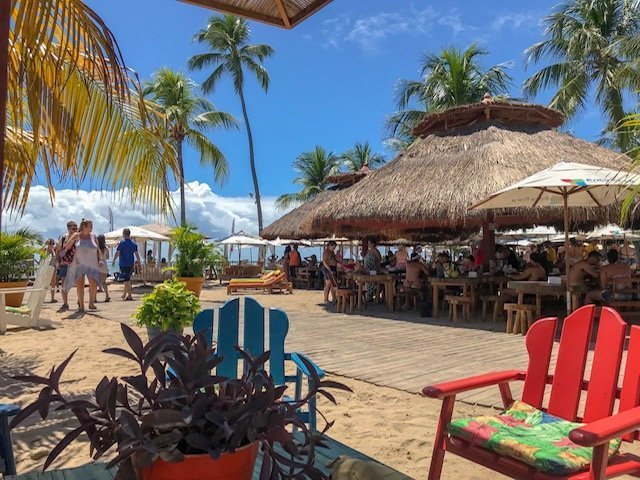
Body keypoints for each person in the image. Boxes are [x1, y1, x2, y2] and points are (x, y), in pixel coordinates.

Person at [62, 219, 101, 312]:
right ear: (84, 227)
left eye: (92, 226)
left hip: (92, 263)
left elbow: (98, 249)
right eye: (90, 226)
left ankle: (91, 303)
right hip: (78, 263)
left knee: (93, 282)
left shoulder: (93, 237)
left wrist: (100, 260)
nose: (92, 228)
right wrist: (73, 240)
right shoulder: (77, 236)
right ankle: (81, 305)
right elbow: (67, 247)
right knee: (80, 284)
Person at [54, 220, 78, 310]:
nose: (75, 229)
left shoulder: (79, 237)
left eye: (76, 227)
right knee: (64, 284)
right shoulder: (63, 238)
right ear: (68, 228)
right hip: (65, 263)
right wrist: (58, 261)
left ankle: (80, 301)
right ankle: (65, 303)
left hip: (76, 263)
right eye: (73, 228)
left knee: (78, 282)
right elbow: (58, 250)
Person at [112, 228, 141, 301]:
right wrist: (139, 263)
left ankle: (129, 295)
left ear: (123, 234)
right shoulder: (133, 244)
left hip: (123, 264)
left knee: (127, 279)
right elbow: (137, 255)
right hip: (131, 263)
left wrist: (114, 260)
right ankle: (124, 294)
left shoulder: (122, 243)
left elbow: (118, 253)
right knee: (127, 278)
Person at [97, 234, 111, 302]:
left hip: (97, 265)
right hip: (104, 265)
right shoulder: (106, 248)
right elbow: (108, 257)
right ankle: (107, 295)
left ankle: (94, 298)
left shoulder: (96, 248)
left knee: (95, 282)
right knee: (103, 282)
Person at [43, 238, 58, 303]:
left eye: (52, 244)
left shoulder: (53, 250)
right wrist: (45, 244)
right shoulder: (45, 250)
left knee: (53, 283)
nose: (51, 245)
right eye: (50, 243)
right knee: (45, 283)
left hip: (53, 268)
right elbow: (40, 251)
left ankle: (52, 298)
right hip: (47, 268)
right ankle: (42, 297)